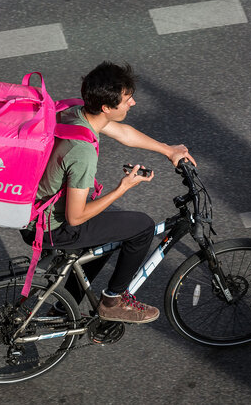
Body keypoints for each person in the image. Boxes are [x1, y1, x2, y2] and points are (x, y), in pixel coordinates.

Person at [21, 61, 195, 324]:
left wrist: (168, 150)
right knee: (141, 227)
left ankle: (62, 309)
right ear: (106, 107)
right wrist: (121, 189)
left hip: (32, 211)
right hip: (50, 227)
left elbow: (124, 133)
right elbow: (76, 218)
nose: (133, 103)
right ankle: (113, 301)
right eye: (127, 99)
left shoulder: (73, 111)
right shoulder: (82, 152)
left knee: (107, 235)